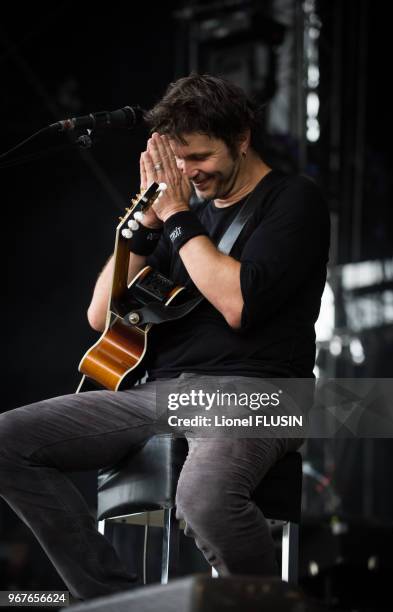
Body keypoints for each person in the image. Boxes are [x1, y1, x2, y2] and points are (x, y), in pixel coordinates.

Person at [0, 74, 330, 601]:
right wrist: (142, 224)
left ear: (242, 138)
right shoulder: (180, 213)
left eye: (199, 157)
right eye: (177, 160)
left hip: (259, 391)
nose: (187, 174)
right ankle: (112, 599)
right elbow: (98, 313)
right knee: (8, 440)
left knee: (203, 499)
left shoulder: (293, 200)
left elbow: (237, 304)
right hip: (161, 391)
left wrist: (176, 216)